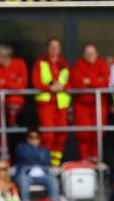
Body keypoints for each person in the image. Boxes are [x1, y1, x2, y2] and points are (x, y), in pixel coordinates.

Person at [32, 38, 70, 167]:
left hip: (61, 105)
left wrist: (62, 87)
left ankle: (55, 165)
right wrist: (50, 88)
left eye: (56, 47)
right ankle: (44, 163)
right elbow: (36, 82)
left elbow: (71, 82)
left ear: (60, 49)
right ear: (47, 49)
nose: (54, 50)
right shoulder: (40, 63)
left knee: (61, 135)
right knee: (47, 135)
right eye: (51, 47)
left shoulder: (65, 65)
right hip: (46, 104)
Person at [71, 44, 110, 161]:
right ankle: (84, 159)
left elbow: (105, 83)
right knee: (83, 134)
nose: (90, 56)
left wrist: (89, 81)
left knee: (98, 133)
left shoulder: (102, 65)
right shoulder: (78, 65)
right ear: (84, 55)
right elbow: (76, 83)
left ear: (97, 54)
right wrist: (96, 81)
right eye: (87, 54)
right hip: (82, 105)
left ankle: (96, 159)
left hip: (98, 105)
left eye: (92, 53)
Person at [0, 43, 28, 157]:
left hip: (19, 112)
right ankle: (4, 162)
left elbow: (22, 87)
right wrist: (14, 84)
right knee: (0, 138)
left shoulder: (19, 64)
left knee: (18, 137)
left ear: (5, 56)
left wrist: (5, 83)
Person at [13, 129, 59, 201]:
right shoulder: (20, 147)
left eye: (36, 137)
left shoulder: (45, 149)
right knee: (23, 182)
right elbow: (25, 155)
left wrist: (31, 155)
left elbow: (47, 161)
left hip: (42, 174)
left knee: (53, 180)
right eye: (31, 137)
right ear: (26, 138)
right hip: (26, 174)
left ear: (40, 139)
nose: (33, 140)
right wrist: (39, 156)